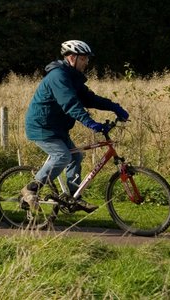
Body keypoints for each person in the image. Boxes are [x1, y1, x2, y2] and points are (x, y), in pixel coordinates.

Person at [20, 40, 129, 213]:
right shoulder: (58, 77)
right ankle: (31, 188)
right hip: (42, 127)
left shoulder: (72, 76)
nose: (87, 62)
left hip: (57, 128)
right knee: (62, 156)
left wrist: (113, 106)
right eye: (84, 58)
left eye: (87, 59)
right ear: (72, 58)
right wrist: (89, 122)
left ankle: (72, 197)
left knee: (76, 156)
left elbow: (89, 99)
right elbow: (70, 104)